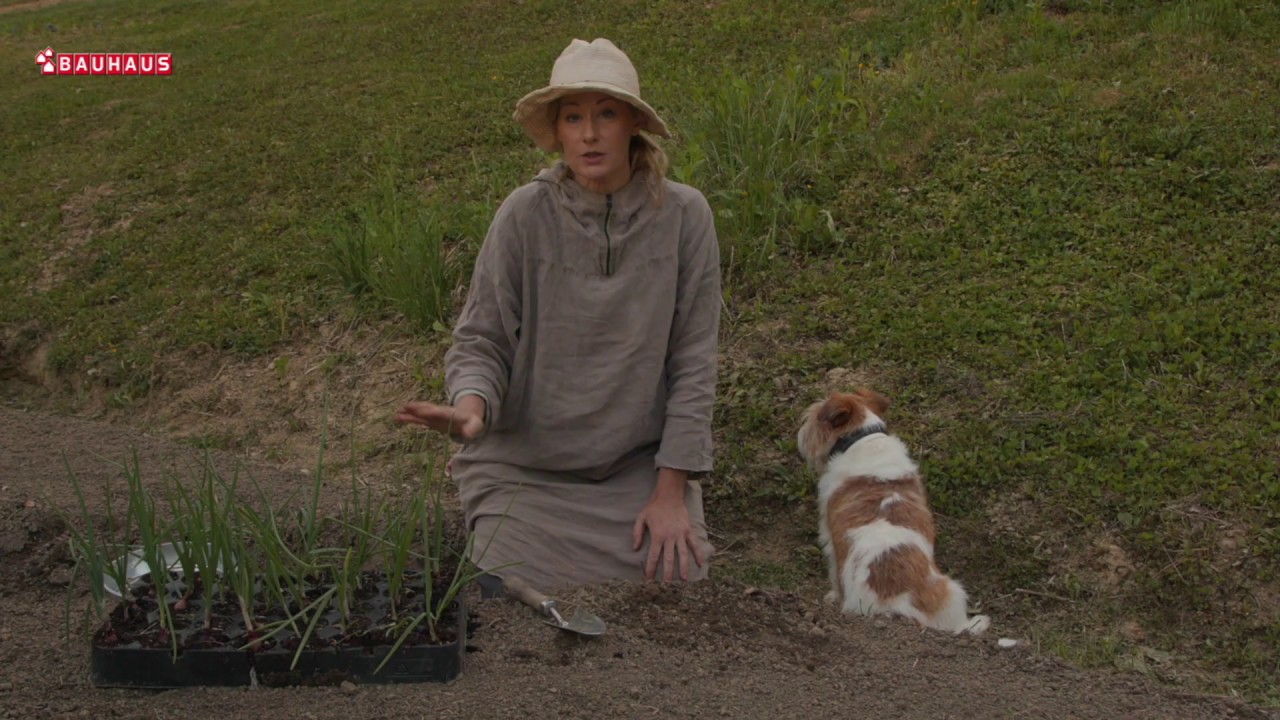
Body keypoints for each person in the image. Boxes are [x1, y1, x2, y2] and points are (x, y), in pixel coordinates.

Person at [395, 37, 720, 592]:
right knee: (503, 583)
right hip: (527, 465)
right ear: (558, 131)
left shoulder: (686, 216)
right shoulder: (525, 214)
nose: (589, 134)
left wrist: (670, 493)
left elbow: (694, 361)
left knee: (677, 577)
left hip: (633, 467)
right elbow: (482, 339)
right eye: (573, 117)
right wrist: (470, 411)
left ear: (633, 124)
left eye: (606, 114)